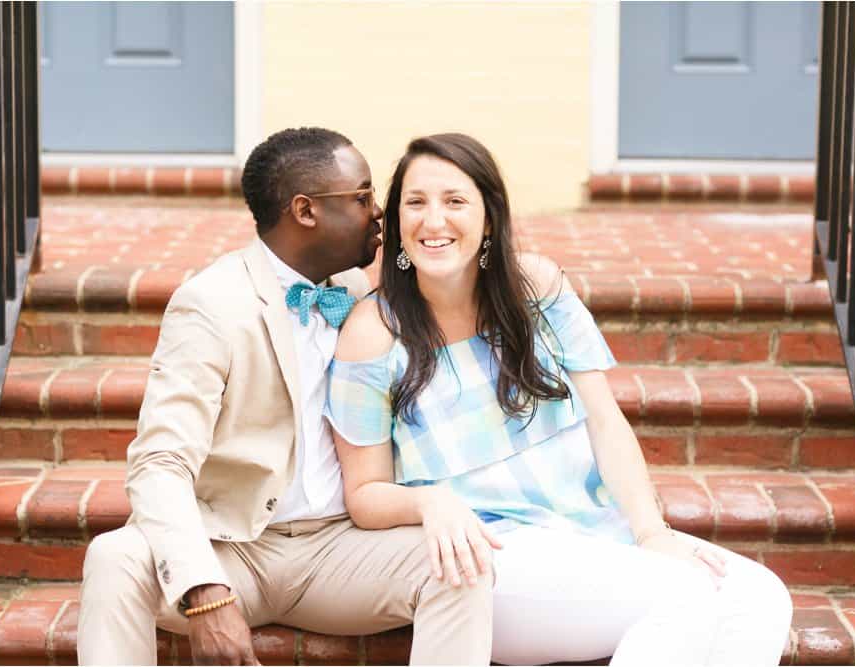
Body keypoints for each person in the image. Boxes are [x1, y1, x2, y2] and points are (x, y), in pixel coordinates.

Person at [325, 133, 794, 666]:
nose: (434, 221)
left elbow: (604, 420)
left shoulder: (537, 288)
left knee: (757, 598)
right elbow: (364, 493)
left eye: (455, 201)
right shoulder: (374, 332)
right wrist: (431, 502)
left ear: (489, 219)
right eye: (416, 202)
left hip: (590, 529)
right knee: (680, 598)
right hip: (491, 558)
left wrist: (649, 531)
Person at [77, 128, 493, 666]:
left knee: (460, 562)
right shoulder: (212, 304)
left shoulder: (363, 290)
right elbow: (159, 463)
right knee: (114, 557)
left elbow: (481, 283)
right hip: (233, 549)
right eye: (363, 197)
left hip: (341, 548)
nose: (380, 214)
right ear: (306, 211)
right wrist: (203, 590)